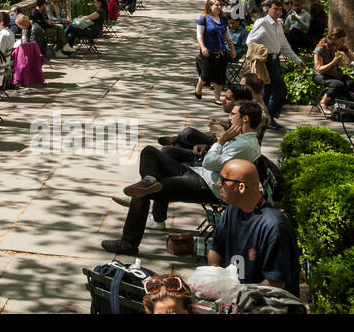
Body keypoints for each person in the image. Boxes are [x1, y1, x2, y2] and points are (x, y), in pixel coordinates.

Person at [101, 101, 264, 256]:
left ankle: (129, 243)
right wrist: (218, 142)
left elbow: (209, 163)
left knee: (141, 193)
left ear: (245, 119)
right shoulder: (242, 138)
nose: (229, 117)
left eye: (233, 114)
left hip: (208, 186)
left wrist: (221, 141)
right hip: (200, 174)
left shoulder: (244, 146)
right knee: (150, 151)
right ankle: (150, 180)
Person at [208, 159, 300, 294]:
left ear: (241, 187)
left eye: (223, 179)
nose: (218, 183)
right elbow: (215, 249)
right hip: (233, 296)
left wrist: (239, 297)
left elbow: (275, 283)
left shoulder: (274, 226)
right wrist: (215, 278)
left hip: (265, 302)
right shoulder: (232, 210)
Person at [245, 0, 303, 124]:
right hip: (265, 61)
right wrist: (261, 53)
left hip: (275, 61)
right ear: (268, 8)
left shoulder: (278, 25)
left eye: (280, 9)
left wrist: (298, 61)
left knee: (268, 91)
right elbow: (250, 41)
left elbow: (284, 46)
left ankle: (263, 118)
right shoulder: (262, 22)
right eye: (275, 9)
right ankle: (267, 118)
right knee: (279, 89)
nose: (278, 12)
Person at [195, 0, 234, 102]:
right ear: (209, 7)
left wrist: (232, 49)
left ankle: (217, 98)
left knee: (220, 76)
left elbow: (227, 34)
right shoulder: (204, 18)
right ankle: (199, 87)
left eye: (220, 5)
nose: (219, 7)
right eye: (216, 5)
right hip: (208, 51)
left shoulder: (223, 18)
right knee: (206, 74)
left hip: (221, 51)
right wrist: (203, 47)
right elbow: (199, 35)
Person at [314, 29, 354, 111]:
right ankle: (323, 103)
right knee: (337, 84)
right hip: (321, 75)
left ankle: (344, 103)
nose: (344, 43)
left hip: (335, 74)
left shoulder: (342, 47)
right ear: (334, 39)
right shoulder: (320, 49)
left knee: (352, 83)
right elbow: (319, 69)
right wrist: (334, 62)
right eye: (342, 40)